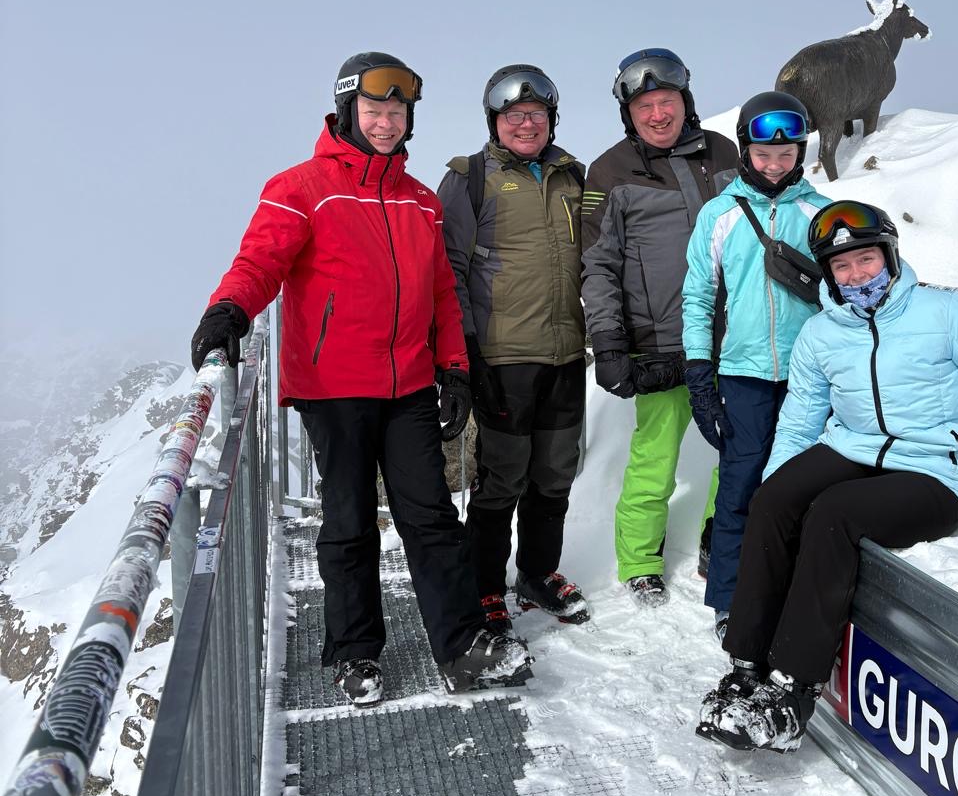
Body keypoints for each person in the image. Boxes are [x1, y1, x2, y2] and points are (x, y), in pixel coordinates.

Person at [190, 52, 533, 706]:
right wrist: (229, 308)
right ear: (348, 111)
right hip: (333, 387)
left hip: (408, 386)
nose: (386, 122)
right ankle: (355, 653)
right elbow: (260, 261)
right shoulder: (300, 187)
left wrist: (455, 370)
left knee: (431, 517)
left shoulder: (420, 202)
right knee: (349, 522)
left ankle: (463, 645)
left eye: (397, 111)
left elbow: (442, 296)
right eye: (374, 110)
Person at [697, 199, 958, 751]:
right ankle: (745, 667)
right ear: (828, 274)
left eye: (865, 259)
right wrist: (776, 484)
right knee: (772, 501)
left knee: (833, 514)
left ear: (888, 255)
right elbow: (797, 424)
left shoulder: (948, 313)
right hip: (854, 447)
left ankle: (794, 688)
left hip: (934, 467)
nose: (856, 275)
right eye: (841, 266)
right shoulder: (820, 333)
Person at [581, 49, 738, 602]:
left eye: (666, 100)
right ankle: (639, 560)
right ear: (629, 114)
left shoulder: (723, 152)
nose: (657, 114)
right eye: (643, 106)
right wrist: (608, 341)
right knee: (655, 459)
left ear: (684, 101)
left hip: (731, 339)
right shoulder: (609, 172)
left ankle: (723, 541)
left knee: (740, 452)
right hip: (660, 344)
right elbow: (598, 264)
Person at [438, 64, 589, 634]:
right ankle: (484, 585)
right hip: (502, 357)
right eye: (514, 115)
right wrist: (463, 353)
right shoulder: (469, 178)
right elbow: (448, 270)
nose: (527, 124)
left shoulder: (574, 177)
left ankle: (536, 573)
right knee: (502, 477)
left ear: (552, 118)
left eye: (537, 114)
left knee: (554, 474)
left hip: (565, 353)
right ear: (494, 122)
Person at [682, 93, 832, 642]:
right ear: (745, 151)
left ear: (801, 153)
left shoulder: (819, 214)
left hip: (808, 378)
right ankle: (729, 600)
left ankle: (792, 591)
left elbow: (843, 293)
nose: (774, 165)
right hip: (742, 375)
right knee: (740, 484)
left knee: (802, 486)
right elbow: (698, 298)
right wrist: (700, 374)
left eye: (786, 154)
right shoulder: (719, 214)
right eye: (764, 154)